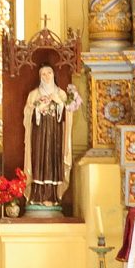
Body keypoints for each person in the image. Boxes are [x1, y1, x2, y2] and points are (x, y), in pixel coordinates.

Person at [23, 65, 81, 214]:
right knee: (39, 160)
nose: (47, 76)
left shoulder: (61, 93)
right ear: (40, 77)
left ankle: (53, 196)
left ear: (54, 75)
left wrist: (59, 103)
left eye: (49, 73)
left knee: (53, 161)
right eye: (43, 74)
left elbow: (68, 115)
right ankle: (37, 195)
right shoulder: (34, 94)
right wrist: (37, 108)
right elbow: (27, 115)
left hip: (56, 135)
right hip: (39, 134)